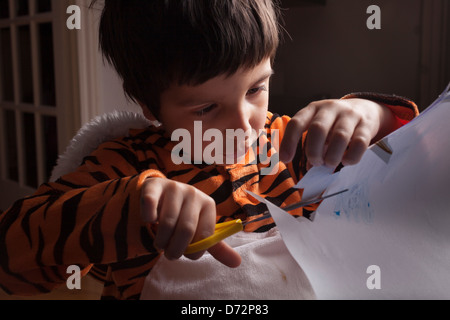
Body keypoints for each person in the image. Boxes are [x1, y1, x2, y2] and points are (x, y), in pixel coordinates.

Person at [0, 0, 418, 300]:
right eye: (205, 107)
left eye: (256, 88)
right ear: (150, 107)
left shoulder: (289, 144)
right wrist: (127, 206)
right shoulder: (123, 166)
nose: (244, 123)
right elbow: (11, 264)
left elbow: (410, 178)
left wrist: (372, 115)